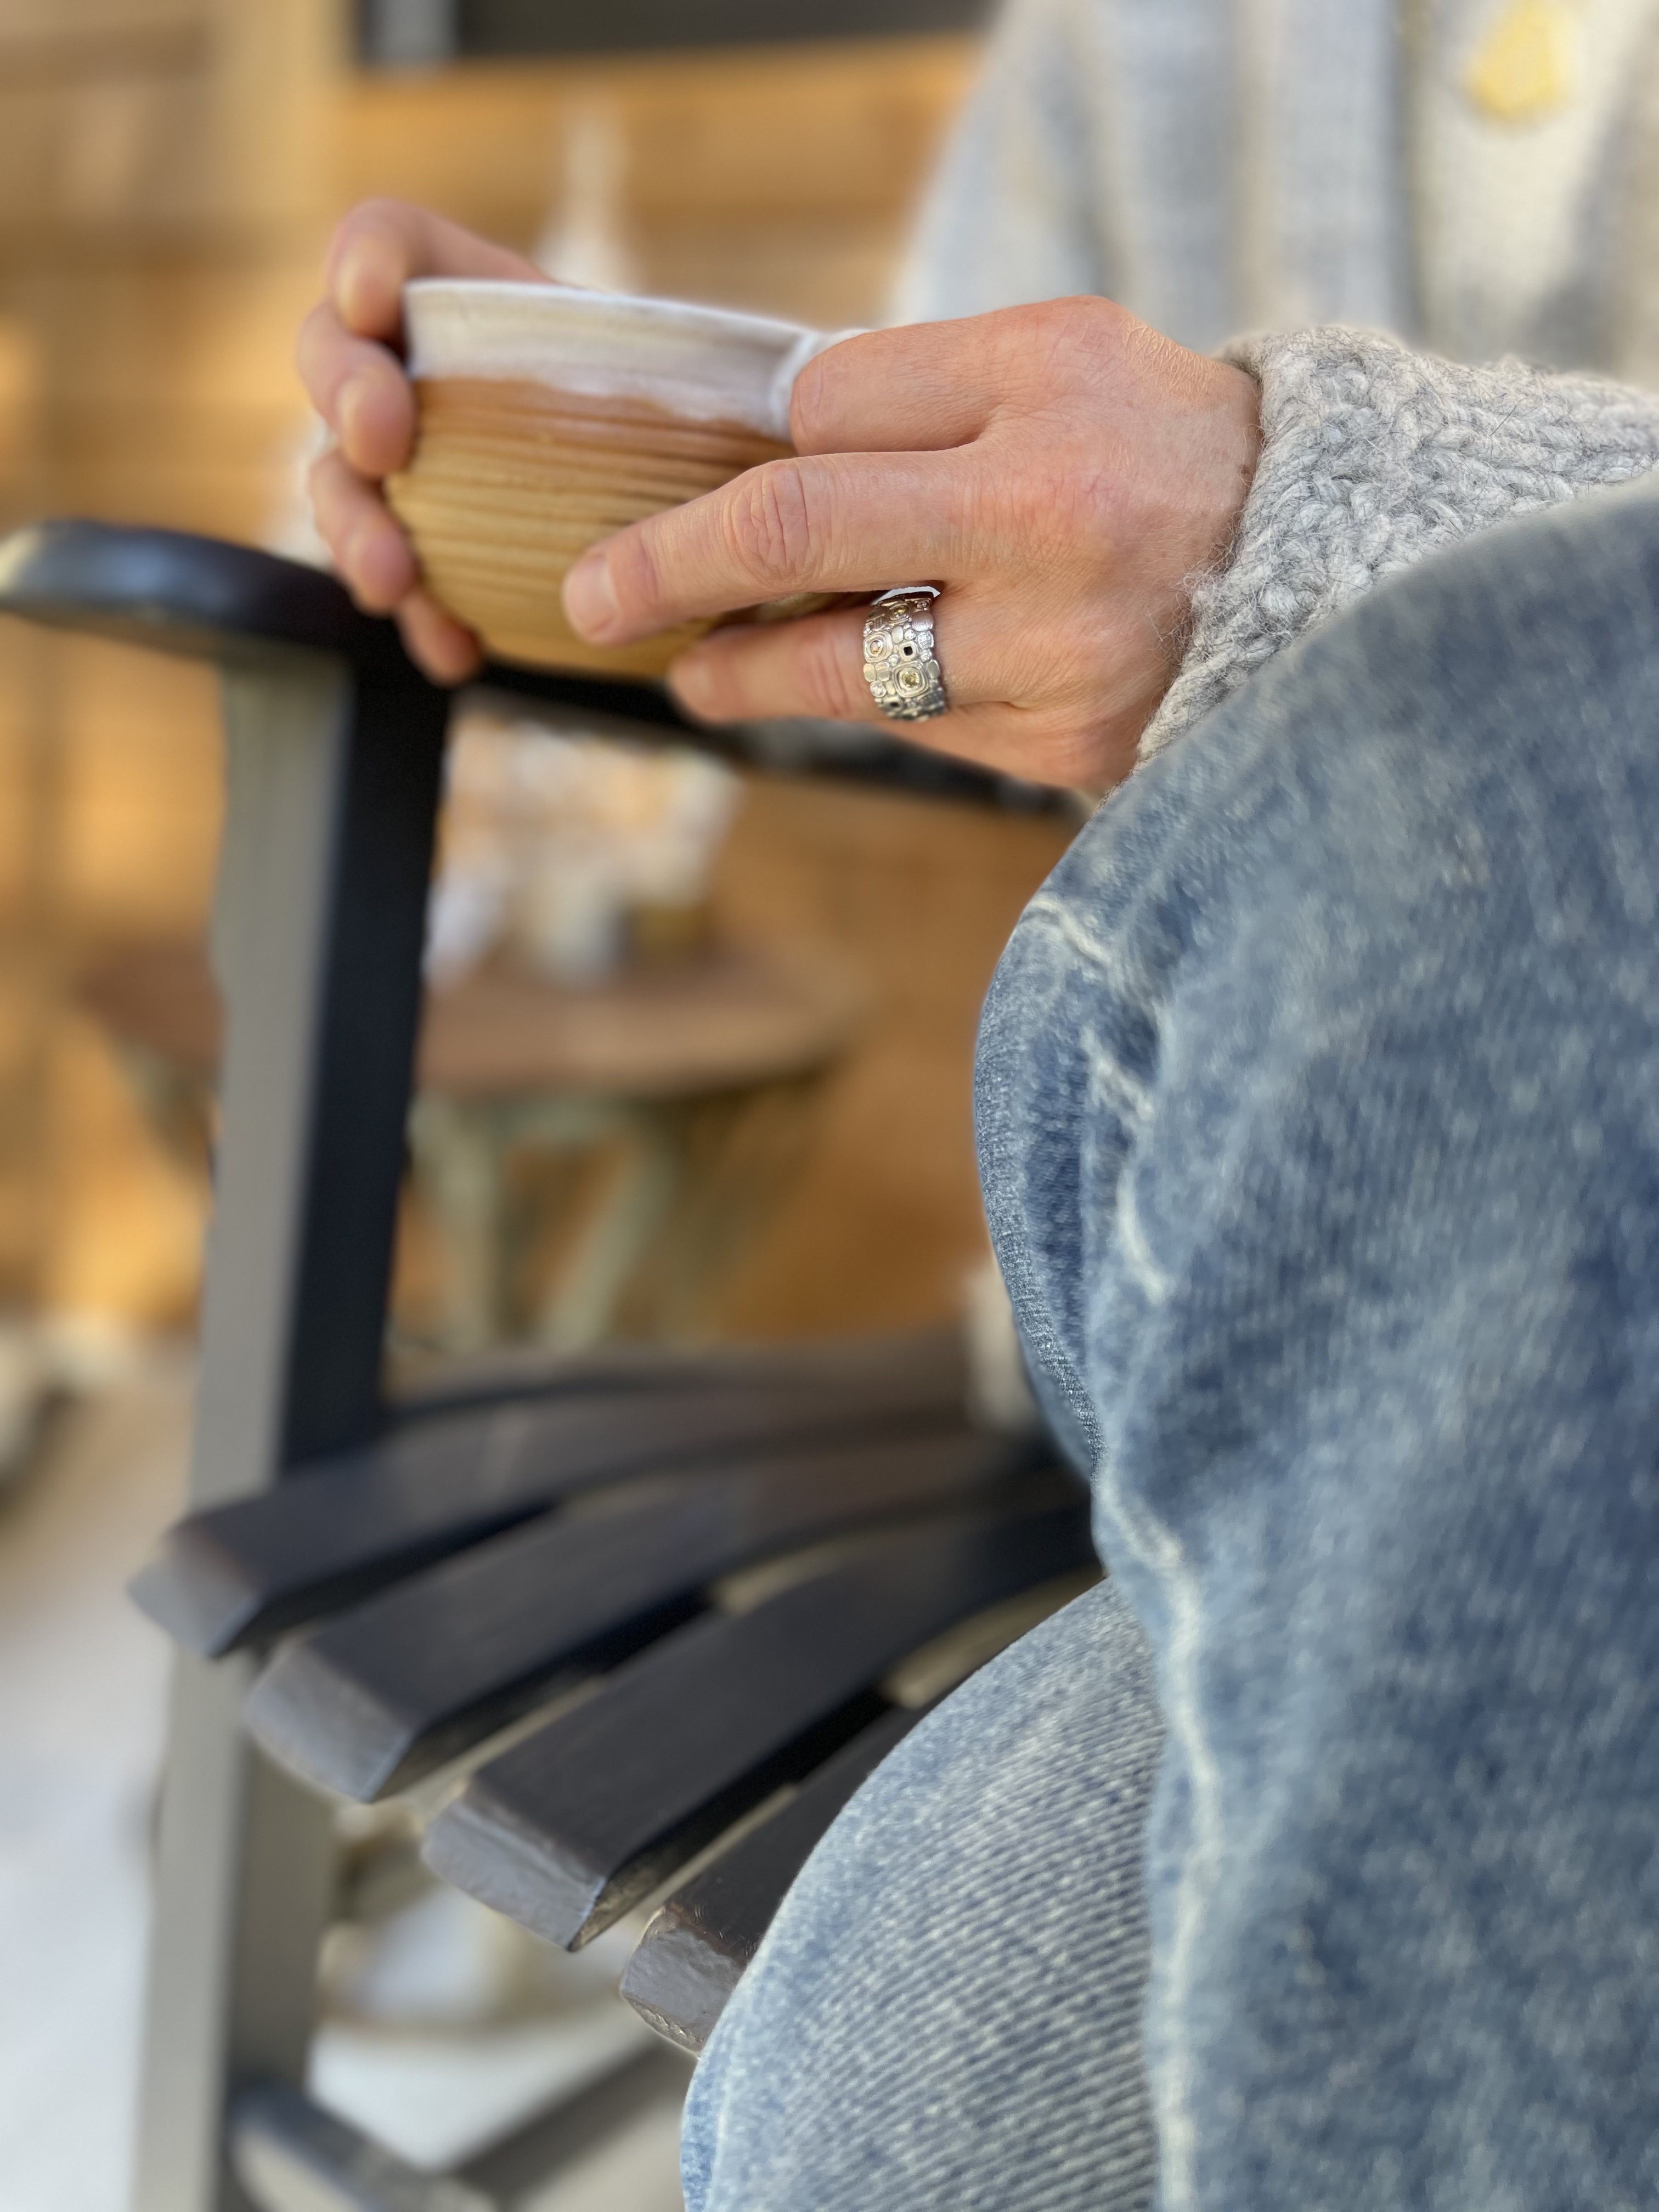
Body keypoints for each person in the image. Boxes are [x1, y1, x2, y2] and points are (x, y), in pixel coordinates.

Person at [297, 4, 1659, 2200]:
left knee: (901, 2134)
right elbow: (936, 620)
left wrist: (1310, 515)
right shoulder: (1117, 62)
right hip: (1252, 1262)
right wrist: (618, 489)